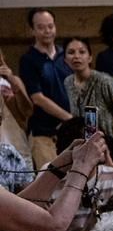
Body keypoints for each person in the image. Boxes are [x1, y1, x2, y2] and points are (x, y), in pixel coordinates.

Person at [61, 37, 113, 172]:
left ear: (90, 57)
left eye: (82, 52)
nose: (76, 56)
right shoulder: (68, 82)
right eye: (71, 52)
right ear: (65, 59)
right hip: (86, 146)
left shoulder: (104, 81)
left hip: (112, 143)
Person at [18, 9, 72, 170]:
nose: (47, 31)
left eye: (50, 26)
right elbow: (37, 98)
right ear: (32, 30)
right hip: (44, 133)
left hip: (71, 133)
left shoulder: (67, 54)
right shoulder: (28, 60)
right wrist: (69, 118)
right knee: (51, 182)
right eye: (41, 27)